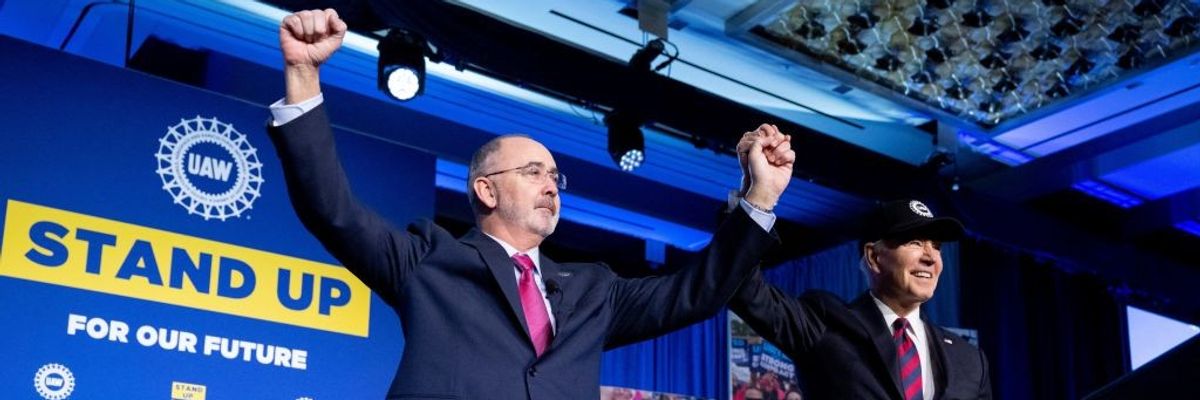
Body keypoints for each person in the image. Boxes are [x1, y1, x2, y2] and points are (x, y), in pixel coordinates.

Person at [268, 9, 797, 399]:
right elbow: (329, 207)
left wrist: (761, 195)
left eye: (555, 175)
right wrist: (303, 76)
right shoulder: (428, 261)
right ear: (486, 189)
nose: (551, 185)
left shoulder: (594, 292)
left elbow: (698, 292)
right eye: (532, 172)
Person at [730, 197, 992, 399]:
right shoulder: (824, 322)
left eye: (936, 247)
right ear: (874, 257)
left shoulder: (969, 359)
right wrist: (757, 200)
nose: (931, 257)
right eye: (914, 242)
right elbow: (744, 289)